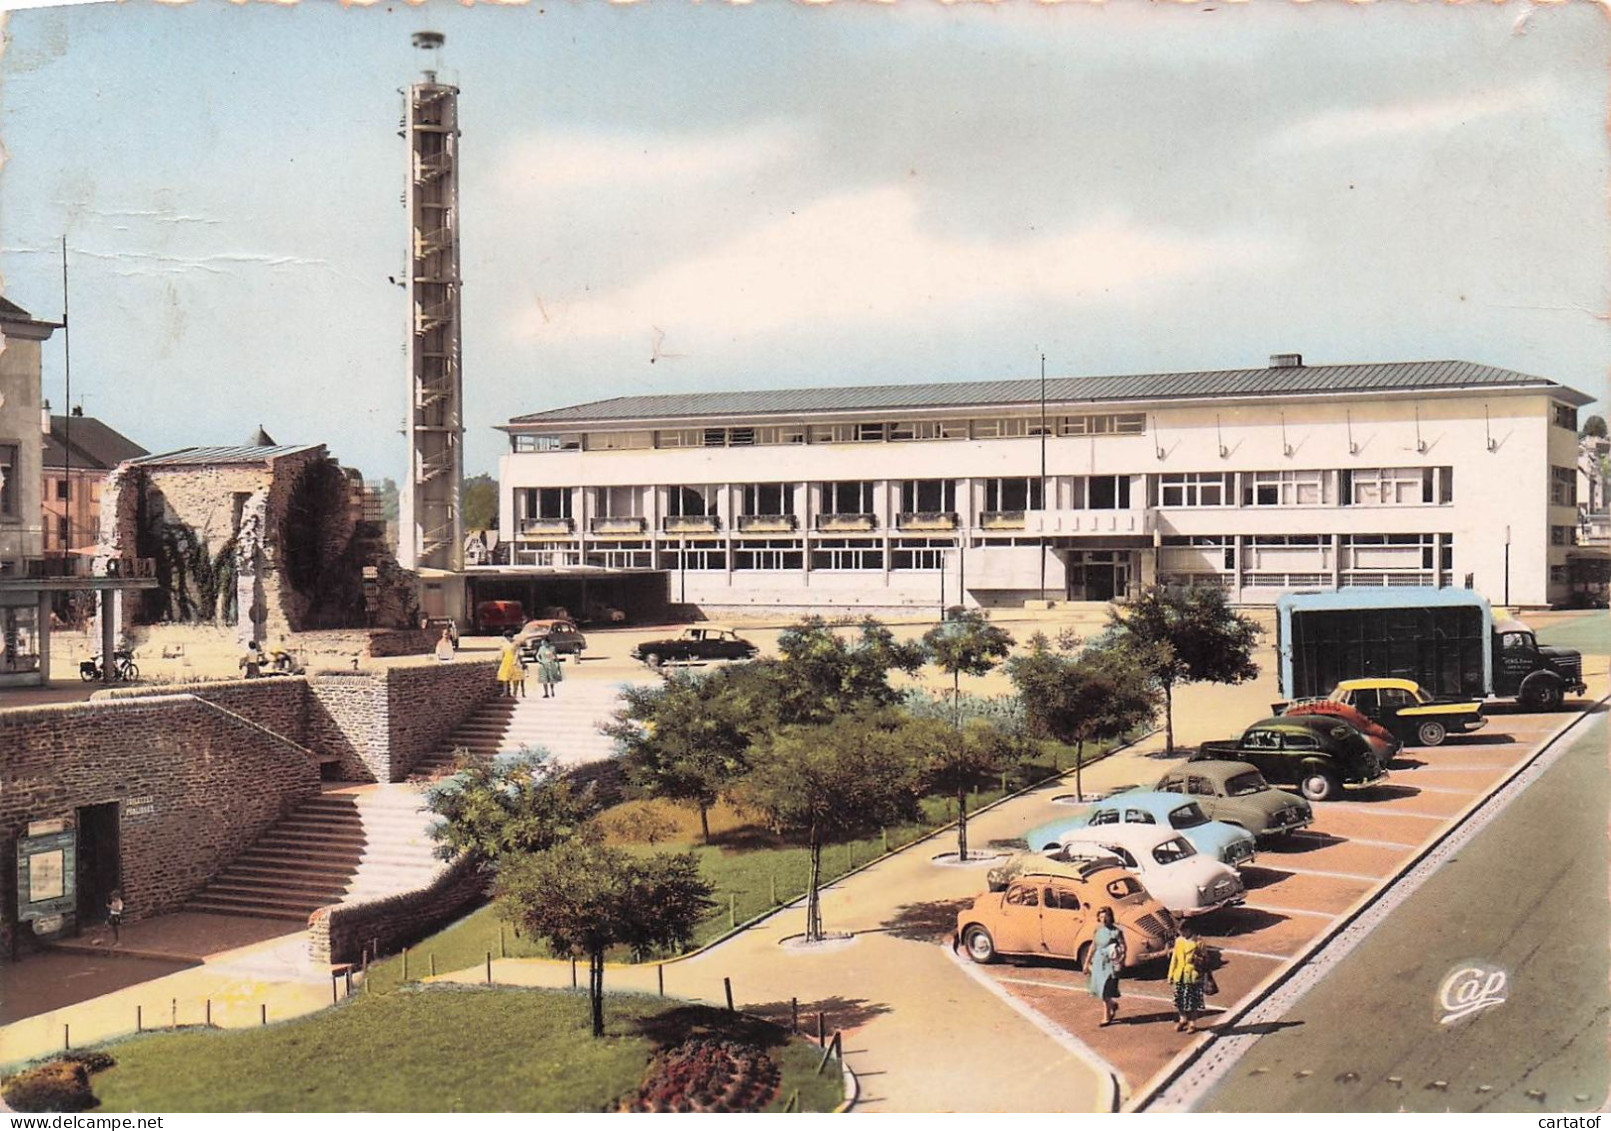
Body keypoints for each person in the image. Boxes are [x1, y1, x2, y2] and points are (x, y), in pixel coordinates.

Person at [1086, 906, 1126, 1026]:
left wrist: (1120, 961)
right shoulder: (1097, 930)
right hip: (1099, 962)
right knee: (1101, 989)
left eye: (1106, 916)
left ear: (1110, 917)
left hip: (1110, 963)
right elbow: (1093, 946)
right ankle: (1112, 1005)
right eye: (1101, 916)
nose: (1103, 919)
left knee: (1105, 991)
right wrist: (1087, 962)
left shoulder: (1117, 932)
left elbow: (1123, 948)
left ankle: (1106, 1017)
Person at [1168, 921, 1206, 1032]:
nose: (1181, 934)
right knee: (1179, 999)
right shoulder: (1178, 941)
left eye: (1183, 931)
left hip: (1192, 974)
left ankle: (1192, 1023)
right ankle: (1182, 1018)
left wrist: (1197, 959)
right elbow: (1174, 958)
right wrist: (1170, 974)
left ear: (1189, 930)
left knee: (1192, 1000)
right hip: (1179, 974)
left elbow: (1205, 959)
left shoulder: (1199, 942)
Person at [496, 632, 522, 697]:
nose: (508, 638)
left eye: (509, 637)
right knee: (505, 677)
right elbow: (502, 652)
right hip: (506, 661)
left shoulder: (516, 643)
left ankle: (515, 692)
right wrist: (500, 659)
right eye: (506, 637)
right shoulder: (503, 644)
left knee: (515, 677)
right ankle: (505, 692)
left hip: (513, 661)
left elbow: (517, 652)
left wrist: (515, 660)